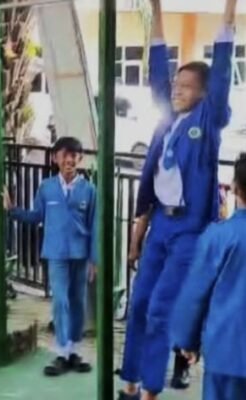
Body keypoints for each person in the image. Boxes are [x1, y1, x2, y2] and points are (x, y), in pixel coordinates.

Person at [118, 1, 236, 399]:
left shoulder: (208, 120)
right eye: (176, 84)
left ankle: (151, 389)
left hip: (189, 229)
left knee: (159, 310)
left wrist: (229, 12)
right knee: (139, 304)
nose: (176, 90)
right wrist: (155, 10)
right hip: (161, 225)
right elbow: (157, 70)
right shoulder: (167, 119)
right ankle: (131, 382)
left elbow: (222, 72)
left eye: (186, 86)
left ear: (203, 93)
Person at [3, 136, 97, 377]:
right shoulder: (46, 187)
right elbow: (37, 216)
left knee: (78, 302)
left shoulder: (89, 190)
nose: (69, 160)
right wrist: (12, 210)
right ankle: (62, 353)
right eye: (64, 155)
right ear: (55, 158)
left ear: (80, 159)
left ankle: (75, 351)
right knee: (60, 301)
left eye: (73, 155)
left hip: (80, 254)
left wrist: (94, 259)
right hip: (55, 253)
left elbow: (95, 226)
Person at [169, 154, 246, 400]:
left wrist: (187, 341)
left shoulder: (218, 236)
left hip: (226, 352)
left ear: (234, 188)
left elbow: (195, 294)